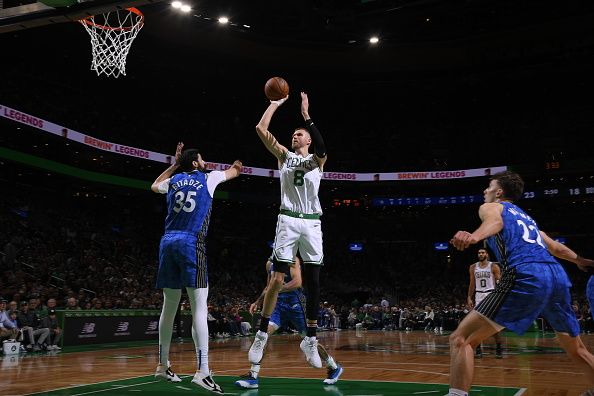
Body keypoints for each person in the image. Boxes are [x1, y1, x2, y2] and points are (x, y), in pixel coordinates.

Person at [448, 170, 594, 396]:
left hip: (526, 273)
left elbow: (494, 221)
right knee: (577, 349)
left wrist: (474, 237)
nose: (485, 190)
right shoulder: (529, 220)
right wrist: (580, 260)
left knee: (461, 339)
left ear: (499, 192)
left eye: (489, 186)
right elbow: (555, 248)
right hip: (556, 275)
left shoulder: (493, 207)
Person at [151, 142, 242, 395]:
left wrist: (174, 165)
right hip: (191, 242)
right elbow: (235, 172)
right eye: (202, 159)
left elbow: (153, 186)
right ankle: (202, 372)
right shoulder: (208, 177)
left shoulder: (174, 179)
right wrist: (237, 164)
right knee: (199, 307)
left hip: (167, 242)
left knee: (168, 307)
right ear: (195, 164)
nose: (205, 162)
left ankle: (162, 363)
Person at [248, 91, 327, 369]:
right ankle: (261, 334)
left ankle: (311, 339)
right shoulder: (283, 156)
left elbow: (321, 145)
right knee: (277, 278)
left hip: (312, 221)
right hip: (289, 218)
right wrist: (273, 104)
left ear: (307, 140)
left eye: (299, 134)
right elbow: (260, 129)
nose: (295, 136)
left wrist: (307, 116)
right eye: (293, 134)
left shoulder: (317, 160)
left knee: (314, 281)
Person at [236, 256, 343, 389]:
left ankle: (333, 366)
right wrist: (258, 301)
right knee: (263, 335)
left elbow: (297, 282)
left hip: (296, 306)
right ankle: (253, 376)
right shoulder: (269, 263)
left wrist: (277, 289)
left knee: (309, 340)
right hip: (278, 306)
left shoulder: (293, 260)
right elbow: (269, 286)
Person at [466, 248, 503, 358]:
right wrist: (469, 297)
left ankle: (499, 347)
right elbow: (472, 283)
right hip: (478, 295)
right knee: (477, 324)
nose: (480, 254)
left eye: (482, 252)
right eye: (479, 252)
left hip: (490, 294)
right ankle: (478, 349)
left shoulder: (493, 266)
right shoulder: (473, 267)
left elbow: (499, 281)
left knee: (492, 323)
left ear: (487, 254)